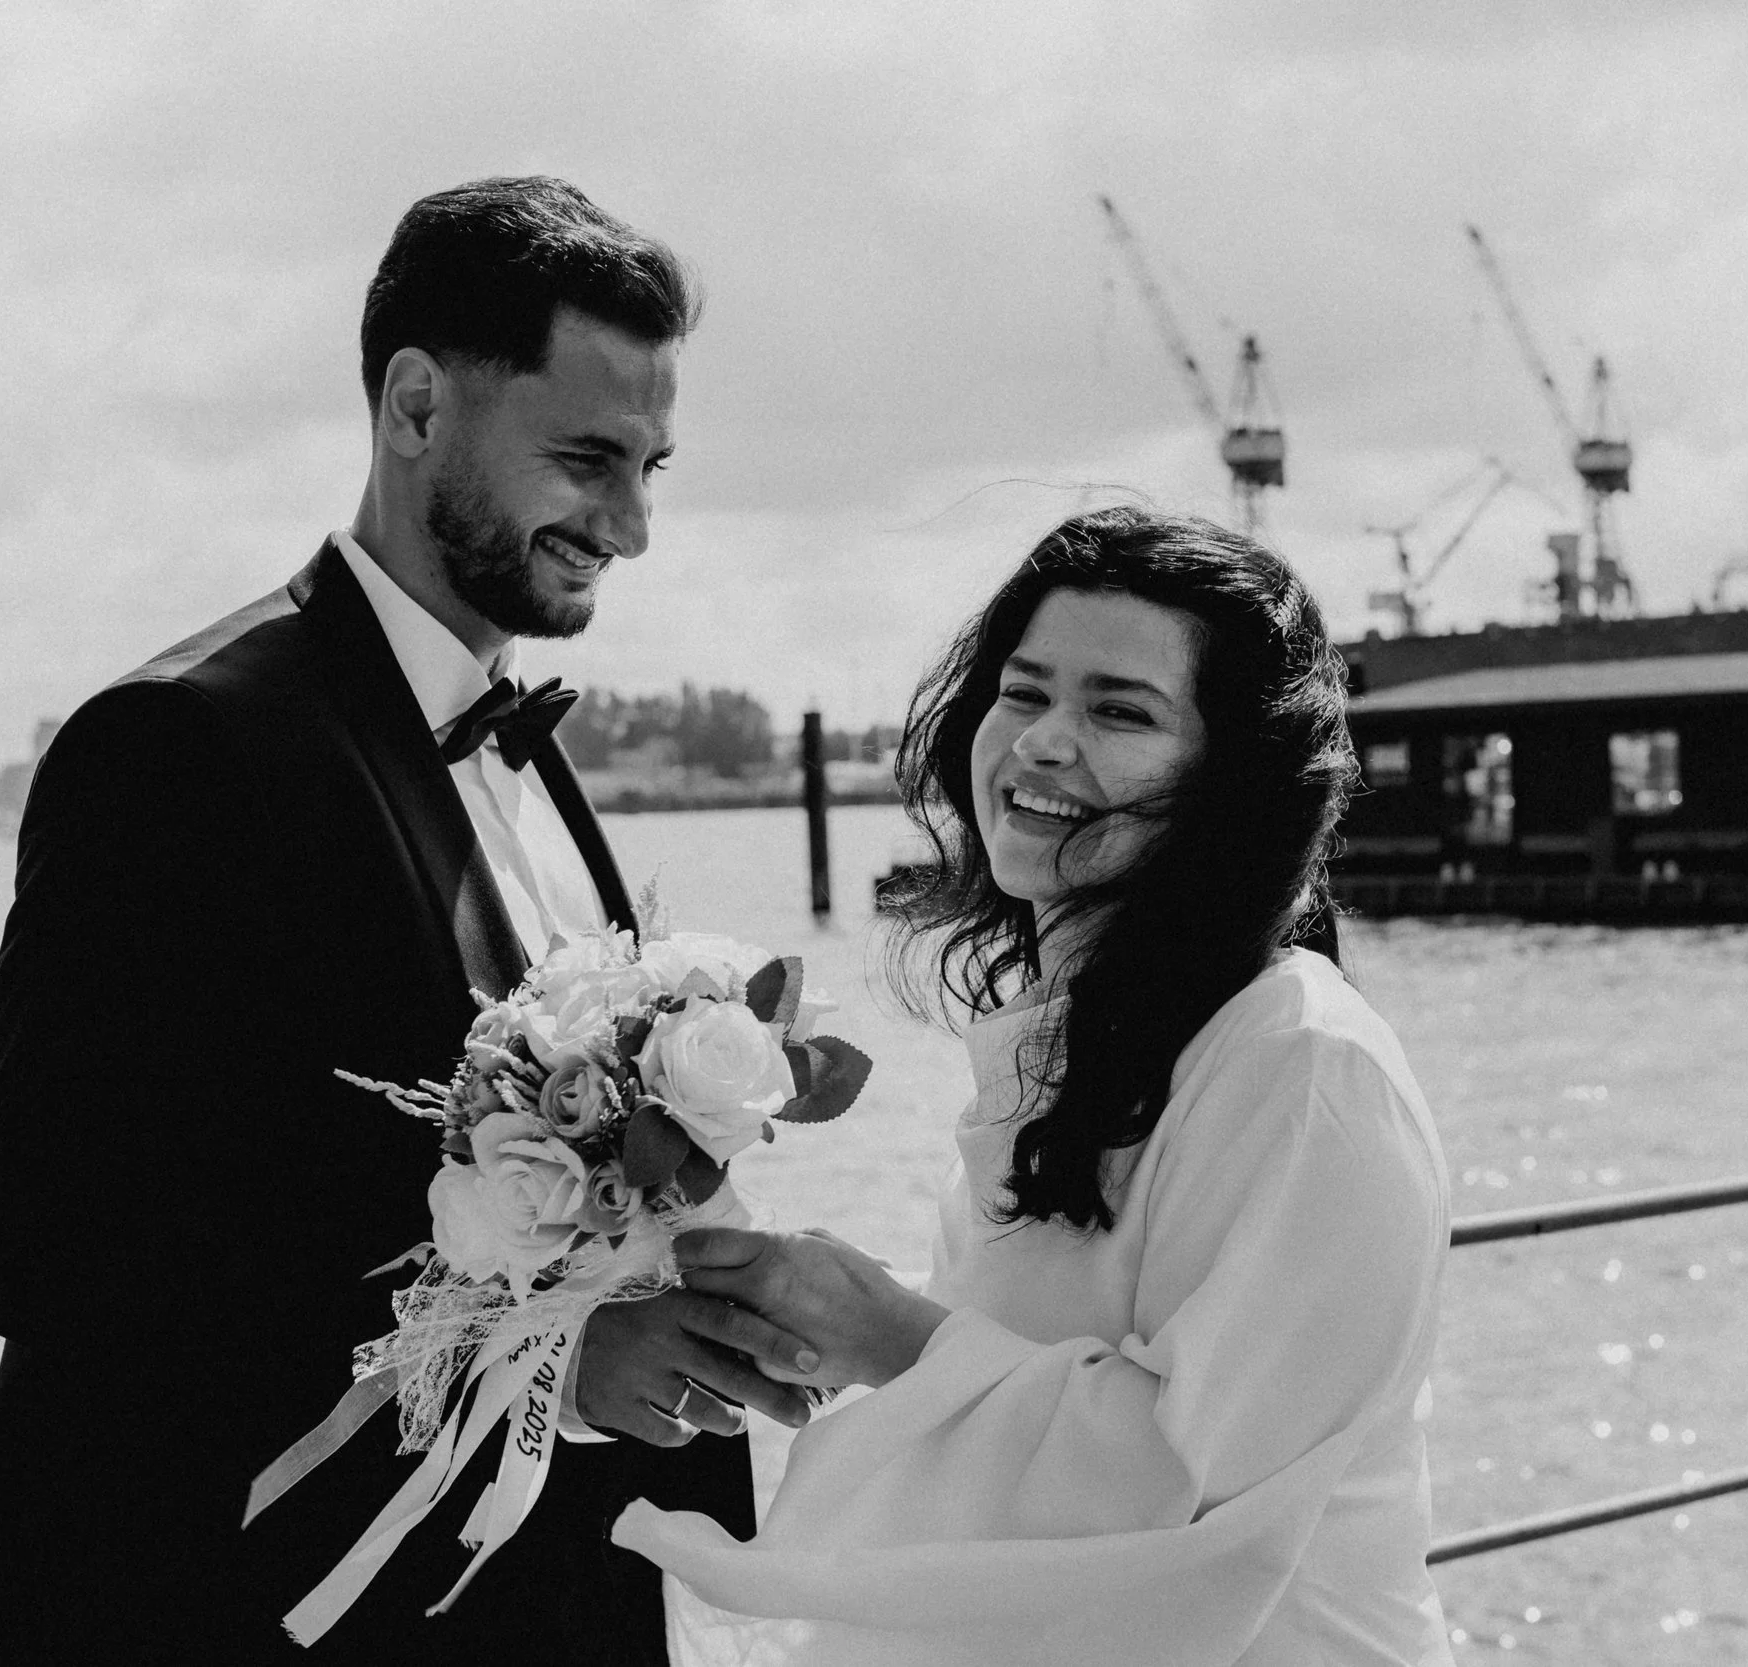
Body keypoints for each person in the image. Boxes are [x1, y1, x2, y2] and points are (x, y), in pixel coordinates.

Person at [0, 177, 819, 1667]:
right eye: (589, 459)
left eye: (653, 464)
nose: (634, 525)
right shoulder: (179, 743)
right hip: (247, 1604)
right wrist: (547, 1363)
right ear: (413, 408)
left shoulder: (520, 746)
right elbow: (51, 1251)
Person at [614, 507, 1457, 1666]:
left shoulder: (1305, 1070)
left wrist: (890, 1333)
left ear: (1233, 779)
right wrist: (815, 1310)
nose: (1042, 743)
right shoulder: (1072, 1034)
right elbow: (1073, 1340)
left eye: (1120, 710)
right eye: (1023, 692)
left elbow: (1184, 1486)